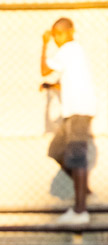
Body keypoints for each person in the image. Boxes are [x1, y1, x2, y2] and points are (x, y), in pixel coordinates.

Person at [41, 17, 97, 224]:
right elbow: (67, 81)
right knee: (56, 150)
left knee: (77, 157)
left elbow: (45, 70)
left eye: (58, 34)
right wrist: (50, 87)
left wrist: (44, 43)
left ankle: (80, 210)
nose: (56, 39)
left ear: (68, 32)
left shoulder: (69, 49)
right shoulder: (74, 54)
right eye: (53, 35)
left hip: (79, 112)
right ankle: (85, 191)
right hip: (73, 111)